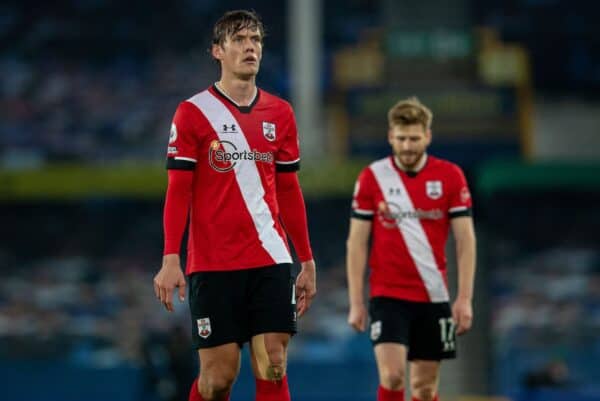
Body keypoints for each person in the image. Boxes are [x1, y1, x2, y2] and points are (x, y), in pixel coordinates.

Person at [153, 10, 317, 401]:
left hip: (270, 256)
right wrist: (170, 257)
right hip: (213, 262)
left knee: (273, 363)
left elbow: (290, 190)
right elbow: (178, 190)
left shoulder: (281, 113)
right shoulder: (192, 112)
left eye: (256, 40)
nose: (250, 47)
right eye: (240, 40)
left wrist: (306, 260)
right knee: (218, 379)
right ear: (217, 51)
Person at [346, 97, 476, 401]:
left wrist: (465, 298)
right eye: (401, 139)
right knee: (392, 377)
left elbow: (466, 240)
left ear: (427, 136)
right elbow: (356, 242)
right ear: (391, 137)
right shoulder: (372, 177)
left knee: (424, 387)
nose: (407, 146)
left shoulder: (450, 176)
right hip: (387, 295)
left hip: (433, 295)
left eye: (414, 139)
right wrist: (356, 301)